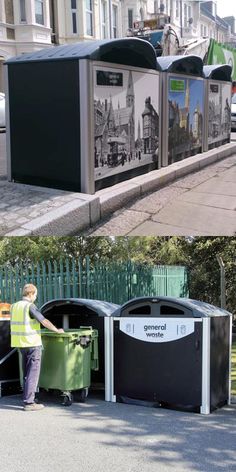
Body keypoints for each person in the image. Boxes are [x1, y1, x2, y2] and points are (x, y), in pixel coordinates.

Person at [10, 283, 64, 411]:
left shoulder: (14, 306)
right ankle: (29, 403)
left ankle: (27, 397)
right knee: (32, 373)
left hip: (20, 343)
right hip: (32, 343)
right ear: (31, 294)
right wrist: (57, 330)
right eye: (35, 295)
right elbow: (43, 321)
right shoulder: (30, 306)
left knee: (26, 372)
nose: (35, 297)